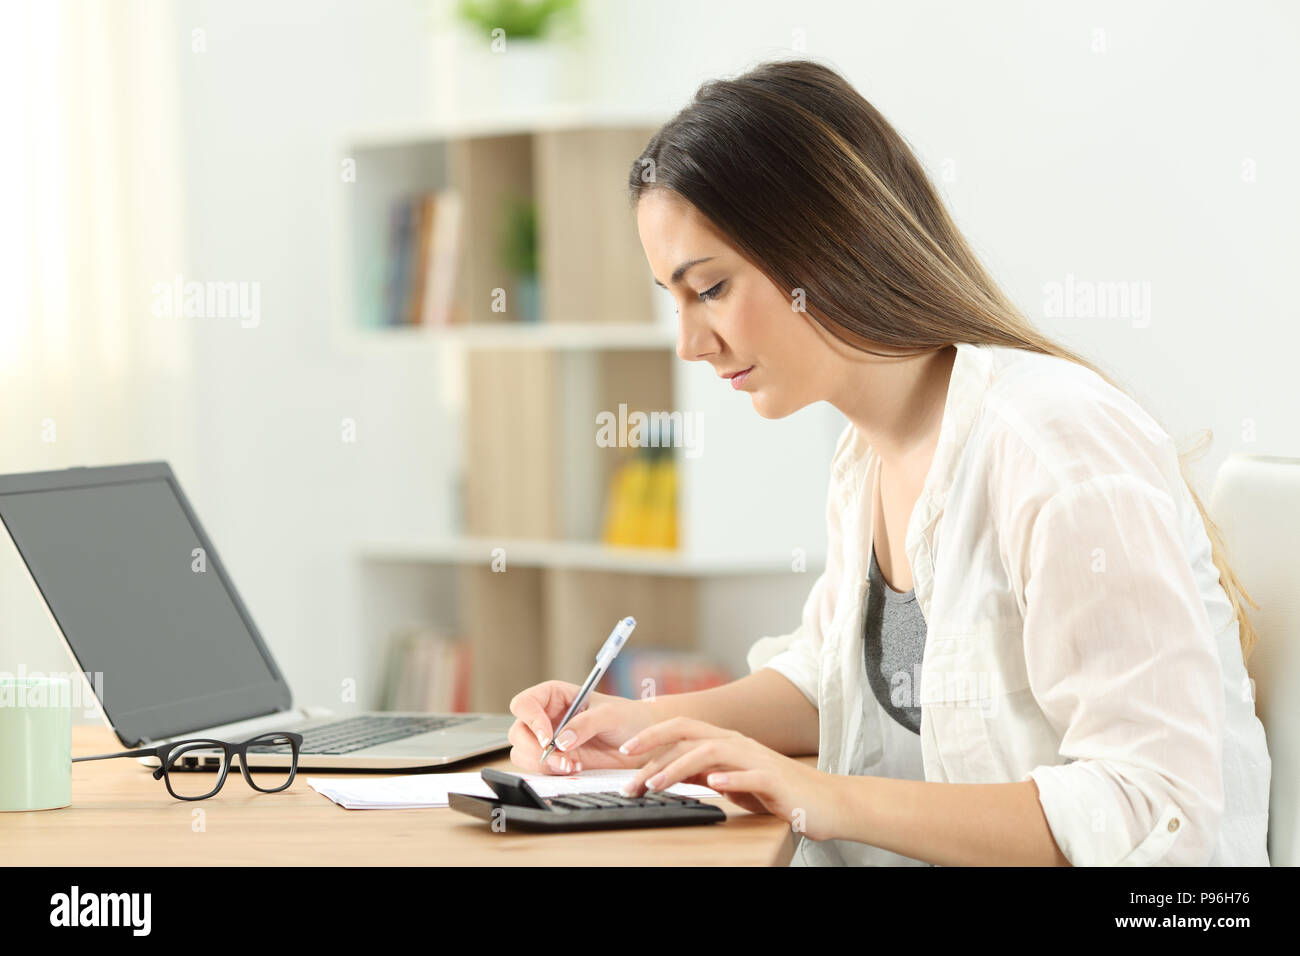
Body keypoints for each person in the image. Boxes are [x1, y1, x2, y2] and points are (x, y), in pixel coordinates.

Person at [507, 58, 1271, 866]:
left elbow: (1154, 805)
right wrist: (634, 726)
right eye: (674, 298)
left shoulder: (1053, 444)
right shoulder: (869, 455)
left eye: (711, 289)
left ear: (825, 242)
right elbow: (830, 683)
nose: (692, 344)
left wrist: (824, 799)